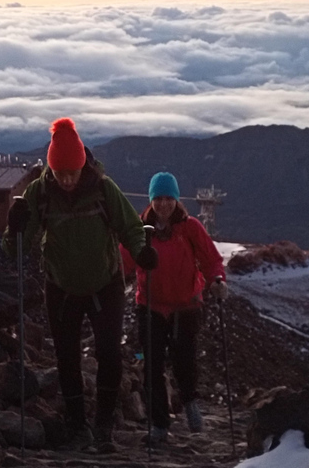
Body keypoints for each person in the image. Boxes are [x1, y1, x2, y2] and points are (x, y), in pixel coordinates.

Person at [3, 117, 158, 453]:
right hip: (61, 287)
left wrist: (141, 251)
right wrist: (14, 228)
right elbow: (16, 246)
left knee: (108, 355)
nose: (68, 179)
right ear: (52, 169)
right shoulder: (40, 193)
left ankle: (103, 426)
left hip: (105, 284)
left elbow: (130, 226)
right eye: (61, 173)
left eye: (72, 172)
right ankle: (78, 425)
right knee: (67, 357)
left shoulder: (103, 189)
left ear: (83, 164)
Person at [120, 172, 227, 444]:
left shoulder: (190, 228)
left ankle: (190, 401)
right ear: (151, 199)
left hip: (186, 306)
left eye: (169, 198)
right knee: (152, 366)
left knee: (185, 362)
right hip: (151, 306)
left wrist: (217, 280)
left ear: (177, 200)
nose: (164, 204)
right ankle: (159, 424)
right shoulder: (140, 229)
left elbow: (211, 259)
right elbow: (124, 262)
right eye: (159, 198)